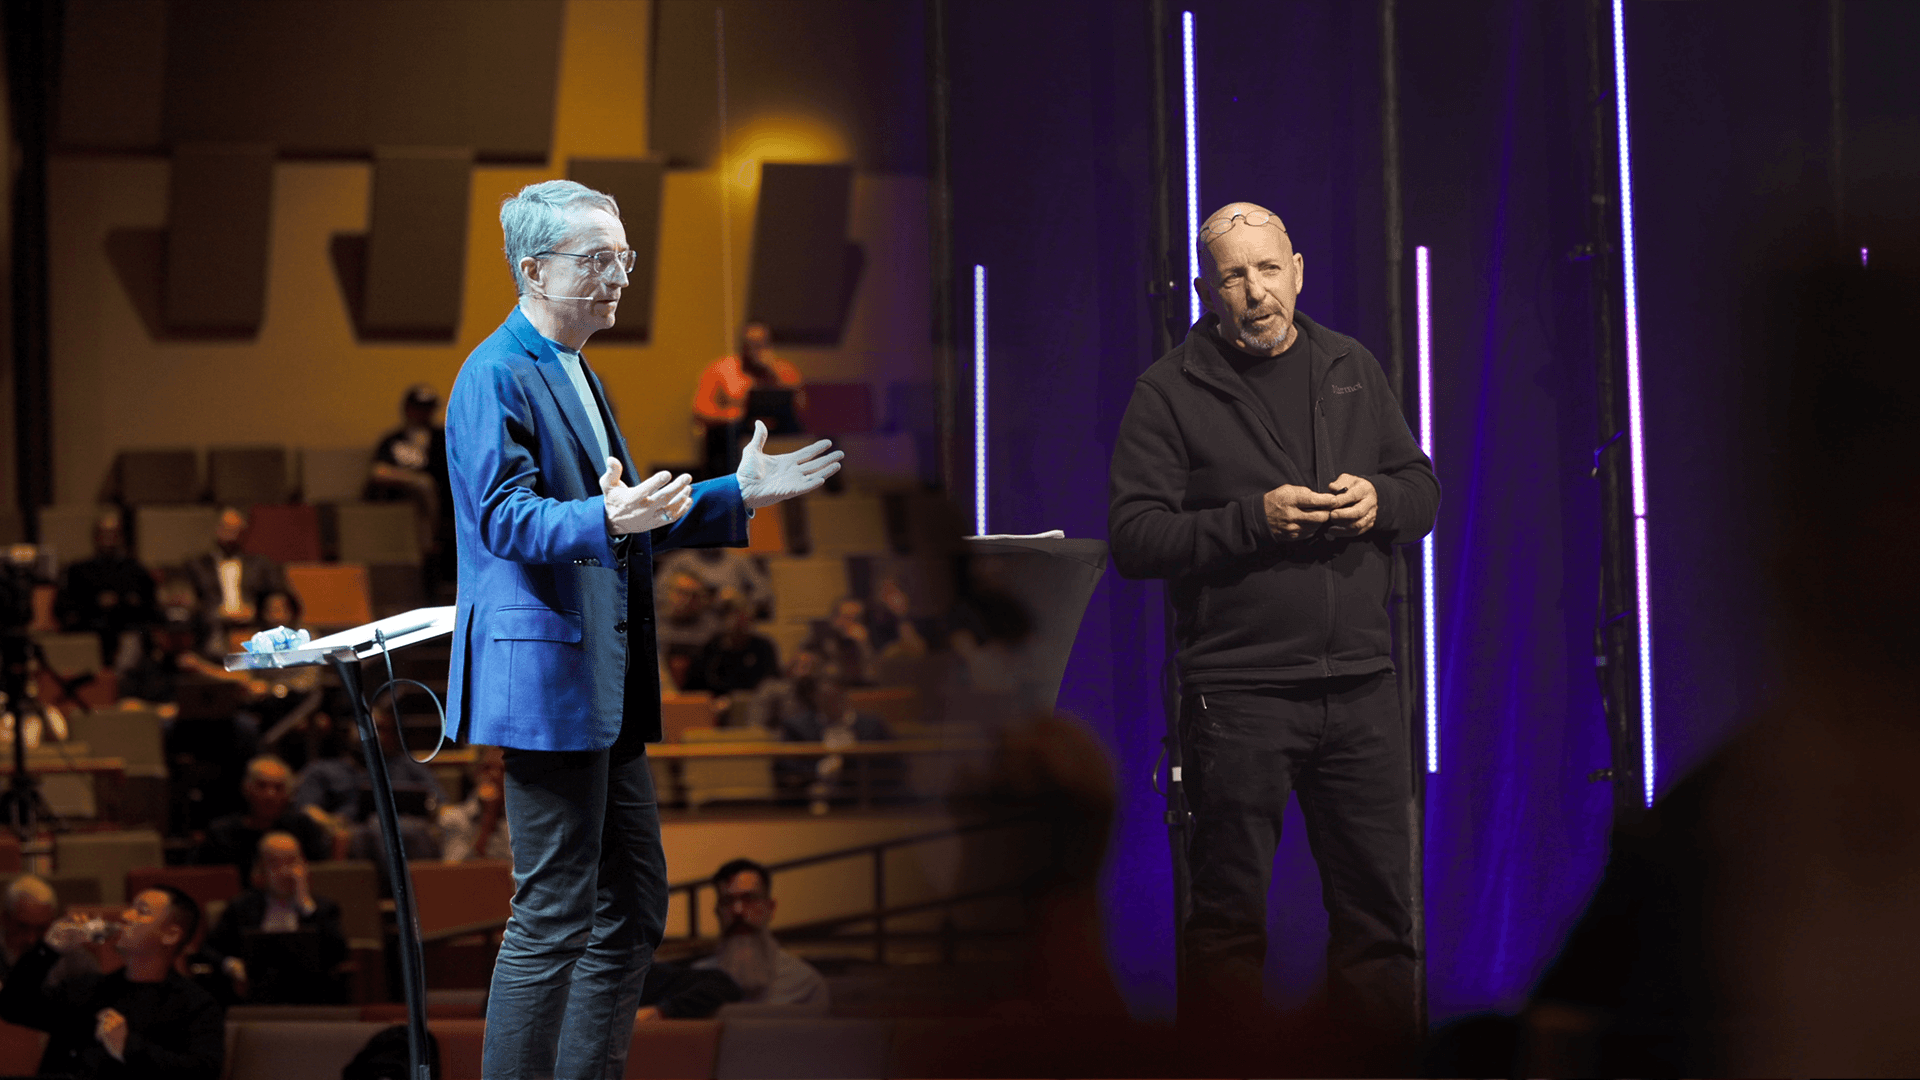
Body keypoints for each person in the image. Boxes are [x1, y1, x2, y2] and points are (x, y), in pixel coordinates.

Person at [446, 179, 841, 1078]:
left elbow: (629, 515)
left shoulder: (576, 367)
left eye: (624, 256)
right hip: (549, 681)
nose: (621, 275)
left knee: (633, 908)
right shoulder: (494, 372)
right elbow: (504, 519)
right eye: (599, 259)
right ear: (534, 271)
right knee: (553, 914)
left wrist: (734, 493)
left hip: (603, 677)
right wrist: (604, 516)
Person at [1108, 201, 1440, 1068]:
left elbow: (1421, 489)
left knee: (1381, 922)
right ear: (1205, 291)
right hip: (1241, 695)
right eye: (1233, 276)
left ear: (1297, 270)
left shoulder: (1350, 364)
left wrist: (1381, 500)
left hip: (1362, 689)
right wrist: (1253, 521)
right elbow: (1136, 538)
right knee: (1227, 926)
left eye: (1267, 269)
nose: (1255, 292)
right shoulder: (1168, 392)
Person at [0, 885, 224, 1079]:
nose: (126, 916)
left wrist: (128, 1047)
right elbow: (13, 1007)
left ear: (170, 935)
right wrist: (48, 950)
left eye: (141, 912)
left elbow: (203, 1072)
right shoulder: (88, 989)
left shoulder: (196, 1006)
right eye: (130, 908)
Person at [637, 858, 828, 1020]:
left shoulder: (805, 984)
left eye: (749, 898)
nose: (737, 910)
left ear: (770, 908)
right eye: (727, 901)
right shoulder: (694, 980)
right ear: (717, 911)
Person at [206, 832, 349, 1004]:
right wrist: (231, 965)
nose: (285, 871)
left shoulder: (323, 908)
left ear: (304, 866)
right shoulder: (241, 907)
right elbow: (208, 950)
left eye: (291, 862)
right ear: (260, 871)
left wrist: (305, 905)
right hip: (254, 999)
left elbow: (338, 955)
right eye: (274, 864)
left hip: (312, 998)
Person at [367, 383, 455, 593]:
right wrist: (415, 480)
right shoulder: (394, 440)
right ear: (407, 409)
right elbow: (377, 472)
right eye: (418, 408)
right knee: (423, 488)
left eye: (428, 408)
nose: (422, 414)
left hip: (444, 510)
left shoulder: (444, 438)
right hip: (401, 509)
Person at [692, 321, 805, 477]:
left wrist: (772, 372)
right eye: (750, 344)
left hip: (775, 427)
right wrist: (731, 414)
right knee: (725, 433)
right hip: (738, 428)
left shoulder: (783, 370)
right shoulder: (722, 369)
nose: (755, 349)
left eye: (761, 344)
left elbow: (801, 406)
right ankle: (732, 483)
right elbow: (699, 410)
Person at [193, 755, 334, 880]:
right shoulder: (221, 833)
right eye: (261, 786)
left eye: (278, 787)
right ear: (247, 788)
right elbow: (201, 880)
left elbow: (322, 876)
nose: (270, 795)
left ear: (289, 793)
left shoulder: (303, 828)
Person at [182, 507, 293, 659]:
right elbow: (188, 600)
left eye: (235, 530)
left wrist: (256, 610)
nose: (230, 535)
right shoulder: (196, 565)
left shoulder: (260, 565)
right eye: (226, 528)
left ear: (244, 533)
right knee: (215, 646)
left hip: (253, 625)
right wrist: (215, 612)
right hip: (213, 626)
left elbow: (278, 596)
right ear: (216, 528)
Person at [54, 509, 157, 670]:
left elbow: (150, 606)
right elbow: (63, 607)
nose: (109, 538)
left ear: (121, 537)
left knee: (135, 638)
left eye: (114, 533)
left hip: (128, 628)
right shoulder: (79, 570)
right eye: (104, 533)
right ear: (95, 536)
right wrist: (95, 603)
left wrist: (126, 602)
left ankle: (121, 677)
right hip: (90, 627)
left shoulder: (135, 570)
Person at [0, 876, 97, 990]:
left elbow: (98, 991)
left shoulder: (70, 954)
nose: (31, 939)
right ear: (5, 919)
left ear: (53, 922)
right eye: (22, 927)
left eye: (41, 929)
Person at [682, 593, 779, 696]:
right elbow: (693, 687)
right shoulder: (710, 648)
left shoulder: (763, 647)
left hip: (753, 702)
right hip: (716, 702)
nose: (739, 621)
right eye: (734, 615)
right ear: (724, 619)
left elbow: (772, 683)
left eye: (744, 616)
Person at [437, 745, 510, 862]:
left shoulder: (523, 820)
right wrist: (487, 821)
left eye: (503, 770)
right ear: (476, 773)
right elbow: (455, 869)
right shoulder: (453, 819)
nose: (494, 774)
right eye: (486, 768)